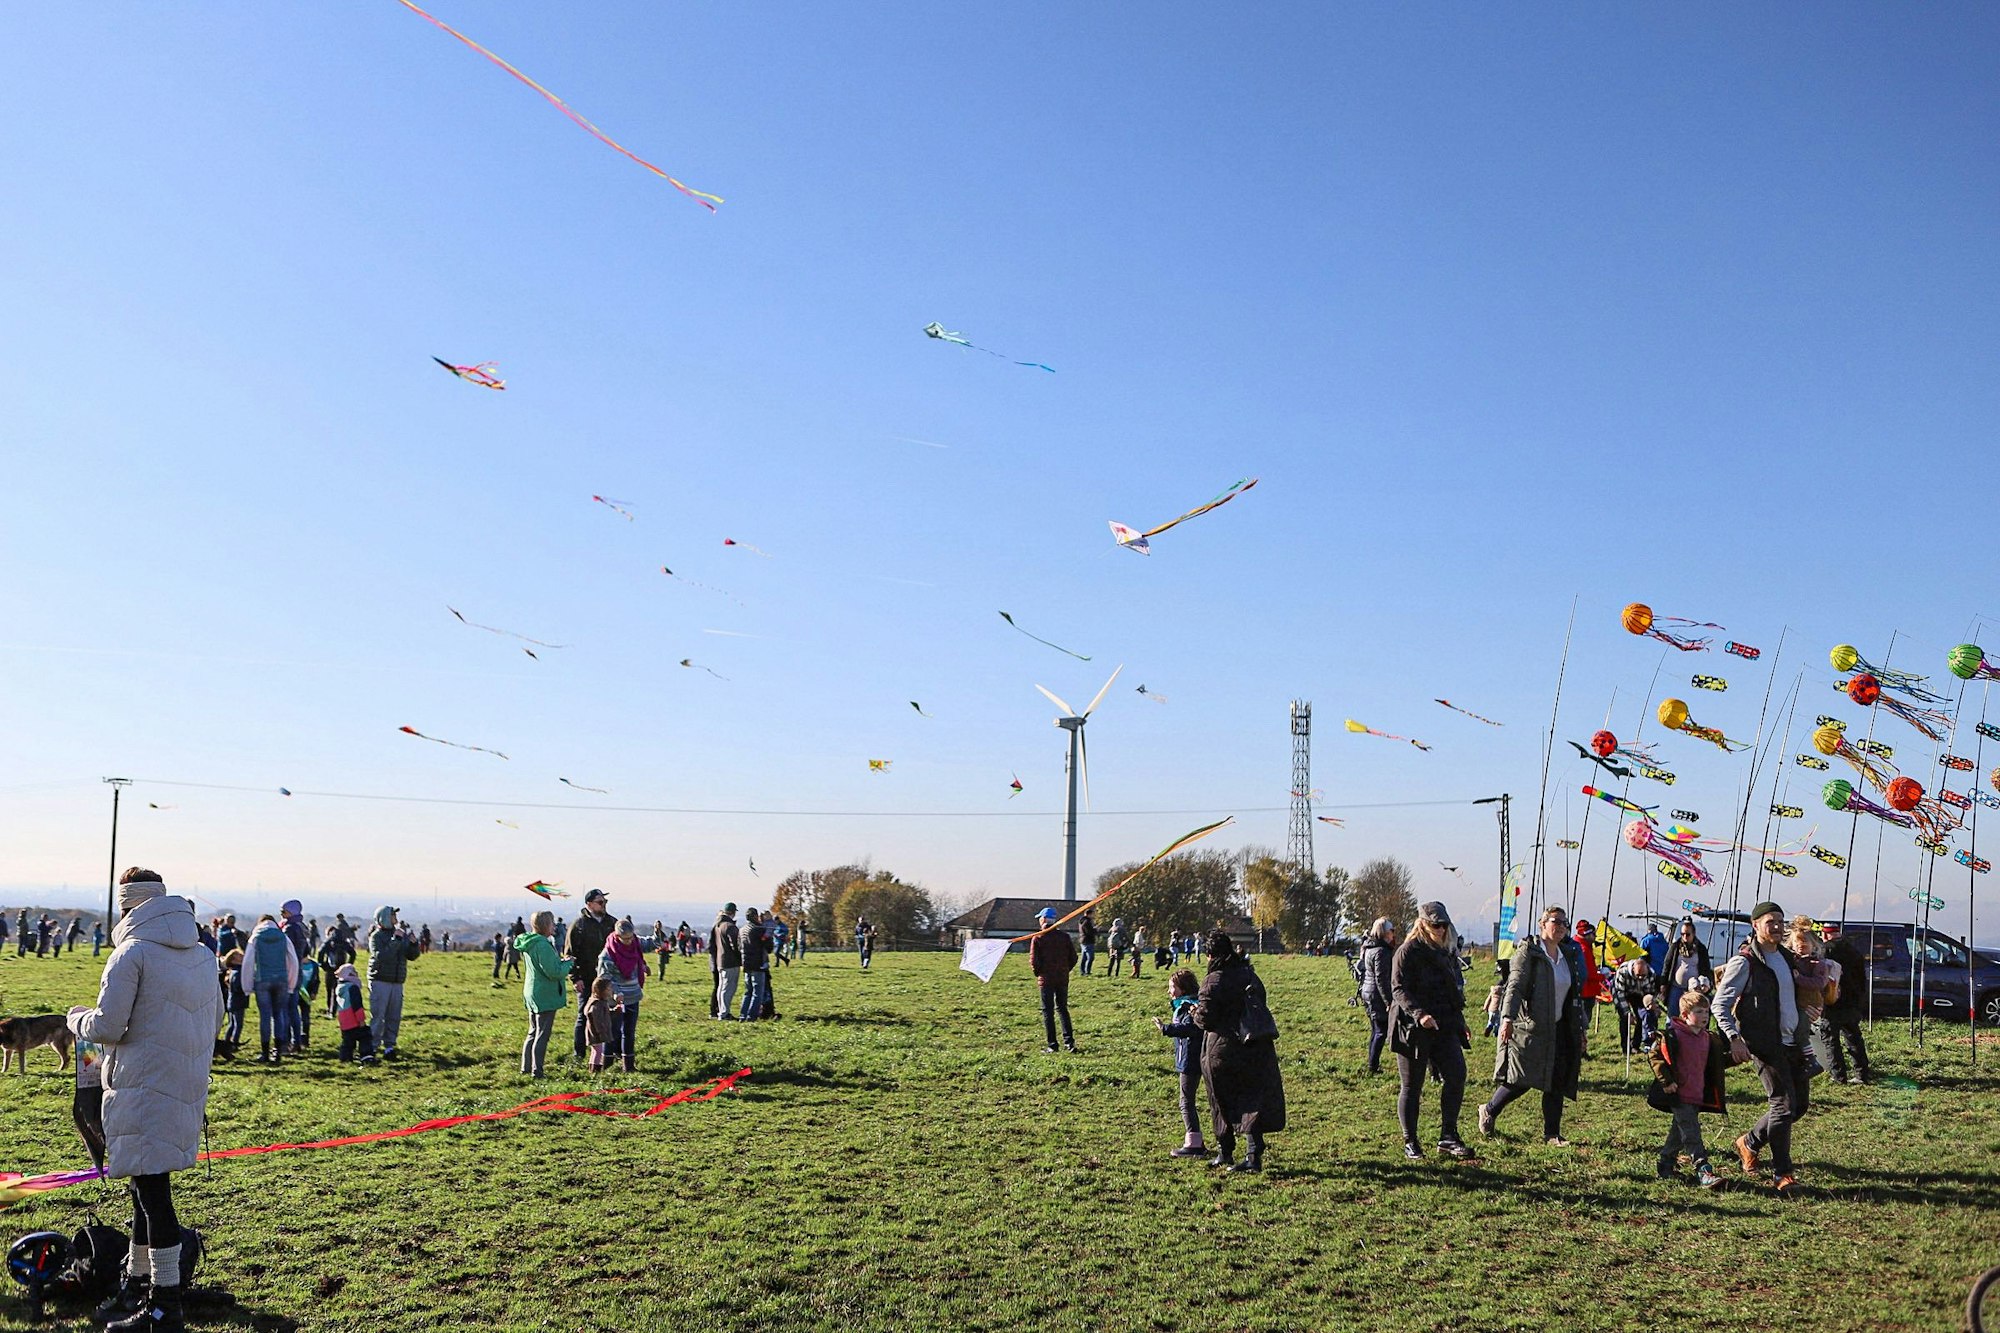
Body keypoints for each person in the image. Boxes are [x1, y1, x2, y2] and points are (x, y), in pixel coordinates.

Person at [66, 868, 221, 1332]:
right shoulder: (203, 954)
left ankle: (163, 1306)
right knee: (142, 1188)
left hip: (140, 1085)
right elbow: (215, 1020)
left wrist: (76, 1019)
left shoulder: (130, 953)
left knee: (154, 1197)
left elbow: (107, 1027)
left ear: (127, 906)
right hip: (185, 1082)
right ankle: (135, 1284)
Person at [1715, 901, 1810, 1194]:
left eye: (1781, 921)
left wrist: (1809, 1008)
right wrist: (1734, 1038)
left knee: (1798, 1106)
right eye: (1770, 922)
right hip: (1765, 1044)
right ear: (1755, 926)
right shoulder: (1745, 961)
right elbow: (1720, 1004)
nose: (1777, 927)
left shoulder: (1786, 957)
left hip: (1793, 1041)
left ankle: (1750, 1142)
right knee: (1782, 1105)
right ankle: (1783, 1174)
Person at [1481, 906, 1589, 1147]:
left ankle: (1552, 1134)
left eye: (1564, 923)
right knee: (1522, 1079)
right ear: (1542, 924)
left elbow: (1575, 994)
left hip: (1560, 1027)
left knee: (1557, 1081)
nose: (1560, 926)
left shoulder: (1567, 956)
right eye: (1555, 921)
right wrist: (1507, 1018)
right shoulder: (1528, 952)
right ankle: (1489, 1109)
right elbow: (1515, 987)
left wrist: (1581, 1029)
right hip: (1530, 1027)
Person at [1191, 931, 1285, 1172]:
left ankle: (1225, 1151)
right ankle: (1253, 1155)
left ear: (1210, 955)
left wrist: (1194, 1013)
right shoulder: (1249, 974)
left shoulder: (1213, 980)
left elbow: (1206, 1019)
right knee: (1251, 1100)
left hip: (1223, 1049)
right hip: (1254, 1045)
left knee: (1220, 1100)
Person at [1390, 904, 1475, 1161]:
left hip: (1444, 1024)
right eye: (1435, 925)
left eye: (1444, 925)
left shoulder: (1446, 952)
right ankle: (1410, 1141)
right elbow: (1398, 988)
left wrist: (1460, 1021)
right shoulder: (1407, 951)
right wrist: (1419, 1014)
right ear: (1423, 924)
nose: (1440, 930)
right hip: (1412, 1027)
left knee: (1457, 1074)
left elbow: (1452, 991)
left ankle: (1448, 1136)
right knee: (1412, 1085)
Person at [1649, 988, 1730, 1187]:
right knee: (1692, 1133)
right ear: (1685, 1015)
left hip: (1697, 1093)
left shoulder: (1708, 1038)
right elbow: (1655, 1056)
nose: (1705, 1016)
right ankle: (1703, 1169)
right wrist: (1666, 1081)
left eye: (1707, 1011)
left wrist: (1736, 1058)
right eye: (1699, 1012)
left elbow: (1716, 1062)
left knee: (1679, 1132)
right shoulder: (1673, 1036)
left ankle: (1665, 1164)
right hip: (1680, 1094)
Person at [1154, 967, 1206, 1157]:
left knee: (1186, 1101)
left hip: (1190, 1059)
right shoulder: (1194, 1004)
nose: (1169, 991)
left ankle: (1194, 1144)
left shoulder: (1187, 1006)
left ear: (1182, 989)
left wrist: (1165, 1028)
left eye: (1172, 987)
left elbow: (1190, 1029)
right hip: (1197, 1057)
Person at [242, 913, 300, 1065]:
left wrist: (247, 986)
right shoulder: (283, 937)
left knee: (265, 1016)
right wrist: (291, 983)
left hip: (262, 980)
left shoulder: (256, 937)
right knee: (279, 1014)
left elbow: (248, 962)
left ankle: (265, 1052)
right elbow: (293, 960)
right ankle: (278, 1051)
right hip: (281, 980)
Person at [517, 910, 570, 1078]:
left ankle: (525, 1067)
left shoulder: (529, 942)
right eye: (552, 923)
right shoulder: (542, 945)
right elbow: (553, 972)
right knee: (542, 1034)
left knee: (533, 1031)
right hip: (545, 994)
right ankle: (537, 1071)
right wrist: (568, 964)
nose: (554, 926)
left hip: (532, 991)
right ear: (546, 925)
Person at [566, 889, 617, 1063]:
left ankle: (610, 1053)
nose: (603, 905)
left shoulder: (612, 923)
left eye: (605, 902)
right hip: (586, 978)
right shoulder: (579, 926)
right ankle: (579, 1053)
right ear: (589, 904)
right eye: (600, 902)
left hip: (608, 978)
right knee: (584, 1014)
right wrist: (575, 978)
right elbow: (570, 953)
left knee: (611, 1014)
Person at [1819, 923, 1871, 1084]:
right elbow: (1862, 979)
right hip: (1852, 1001)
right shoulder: (1853, 950)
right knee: (1854, 1038)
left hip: (1832, 1001)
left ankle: (1839, 1076)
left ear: (1825, 934)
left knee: (1831, 1040)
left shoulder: (1825, 951)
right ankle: (1862, 1074)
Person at [367, 905, 421, 1059]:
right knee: (378, 1015)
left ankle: (389, 1046)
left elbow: (411, 956)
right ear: (384, 918)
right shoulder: (376, 937)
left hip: (397, 981)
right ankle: (372, 1047)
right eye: (392, 915)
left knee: (394, 1016)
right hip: (380, 979)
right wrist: (396, 940)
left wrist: (413, 944)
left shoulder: (399, 934)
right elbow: (382, 956)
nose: (395, 918)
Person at [599, 917, 649, 1066]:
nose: (629, 941)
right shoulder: (607, 954)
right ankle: (607, 1062)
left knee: (629, 1032)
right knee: (612, 1031)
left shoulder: (635, 945)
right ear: (617, 936)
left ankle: (628, 1064)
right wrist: (615, 992)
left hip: (633, 994)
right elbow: (604, 977)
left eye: (631, 938)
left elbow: (652, 943)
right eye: (625, 939)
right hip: (615, 999)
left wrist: (657, 934)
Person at [1027, 907, 1078, 1053]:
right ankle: (1069, 1043)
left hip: (1046, 979)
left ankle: (1052, 1045)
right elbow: (1073, 957)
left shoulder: (1038, 938)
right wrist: (1064, 970)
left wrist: (1039, 973)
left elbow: (1034, 961)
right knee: (1062, 1009)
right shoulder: (1065, 937)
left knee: (1048, 1011)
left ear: (1043, 919)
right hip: (1062, 978)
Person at [1358, 917, 1396, 1075]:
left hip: (1368, 991)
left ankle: (1372, 1063)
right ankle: (1373, 1066)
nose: (1393, 934)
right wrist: (1388, 1001)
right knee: (1381, 1031)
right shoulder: (1382, 951)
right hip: (1376, 994)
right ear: (1385, 932)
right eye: (1392, 930)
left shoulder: (1369, 948)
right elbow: (1381, 978)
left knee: (1375, 1030)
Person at [1661, 917, 1712, 1018]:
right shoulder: (1675, 947)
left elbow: (1706, 968)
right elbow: (1667, 964)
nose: (1685, 937)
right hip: (1676, 987)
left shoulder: (1701, 949)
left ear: (1693, 934)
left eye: (1687, 934)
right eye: (1682, 934)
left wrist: (1706, 984)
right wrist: (1663, 983)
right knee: (1672, 1016)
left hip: (1694, 989)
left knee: (1692, 1016)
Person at [1612, 954, 1662, 1055]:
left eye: (1643, 975)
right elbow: (1619, 994)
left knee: (1641, 1017)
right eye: (1638, 975)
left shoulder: (1651, 974)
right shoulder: (1622, 972)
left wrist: (1652, 1006)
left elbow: (1649, 995)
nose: (1640, 977)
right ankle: (1626, 1048)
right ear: (1633, 969)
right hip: (1623, 991)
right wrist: (1627, 1013)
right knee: (1625, 1019)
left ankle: (1636, 1045)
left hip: (1640, 994)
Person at [332, 963, 378, 1065]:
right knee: (365, 1036)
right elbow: (357, 1005)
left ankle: (345, 1058)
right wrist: (361, 1020)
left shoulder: (339, 987)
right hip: (353, 1018)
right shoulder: (353, 988)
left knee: (348, 1040)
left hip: (343, 1019)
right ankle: (366, 1056)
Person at [709, 903, 742, 1020]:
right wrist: (740, 957)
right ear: (733, 912)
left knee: (721, 987)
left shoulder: (718, 925)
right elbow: (735, 945)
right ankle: (724, 1013)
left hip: (720, 961)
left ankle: (721, 1011)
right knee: (729, 988)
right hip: (730, 961)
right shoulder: (730, 926)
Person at [739, 908, 772, 1022]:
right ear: (755, 916)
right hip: (758, 963)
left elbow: (739, 946)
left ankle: (743, 1015)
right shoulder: (758, 929)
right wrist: (766, 927)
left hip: (746, 963)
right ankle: (751, 1016)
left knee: (748, 991)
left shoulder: (742, 929)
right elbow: (769, 946)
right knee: (757, 992)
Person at [582, 977, 616, 1073]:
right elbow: (597, 1018)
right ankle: (595, 1070)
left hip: (594, 1032)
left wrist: (614, 1011)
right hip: (596, 1033)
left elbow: (604, 1014)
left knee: (595, 1051)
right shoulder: (598, 1004)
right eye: (608, 989)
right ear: (601, 991)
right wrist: (601, 1032)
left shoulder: (600, 1002)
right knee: (598, 1051)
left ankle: (592, 1069)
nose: (611, 991)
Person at [218, 948, 249, 1047]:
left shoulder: (232, 971)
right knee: (238, 1024)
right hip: (238, 1001)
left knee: (232, 1023)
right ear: (234, 960)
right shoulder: (238, 971)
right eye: (240, 956)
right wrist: (247, 988)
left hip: (232, 1001)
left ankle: (227, 1041)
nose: (243, 956)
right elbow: (238, 986)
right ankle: (234, 1043)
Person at [1079, 911, 1097, 976]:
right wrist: (1095, 930)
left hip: (1083, 940)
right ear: (1089, 914)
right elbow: (1089, 932)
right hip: (1088, 941)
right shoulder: (1087, 922)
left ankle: (1082, 971)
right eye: (1092, 914)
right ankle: (1087, 971)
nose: (1093, 916)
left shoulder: (1081, 922)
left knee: (1084, 958)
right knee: (1091, 957)